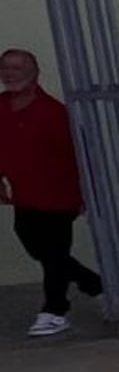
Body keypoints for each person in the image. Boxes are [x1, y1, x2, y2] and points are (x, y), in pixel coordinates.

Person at [0, 49, 103, 337]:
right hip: (25, 194)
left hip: (59, 195)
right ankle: (96, 285)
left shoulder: (53, 112)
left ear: (34, 72)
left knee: (54, 254)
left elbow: (79, 155)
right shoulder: (2, 107)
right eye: (5, 68)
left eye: (18, 68)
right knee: (39, 248)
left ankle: (55, 310)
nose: (10, 74)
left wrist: (86, 194)